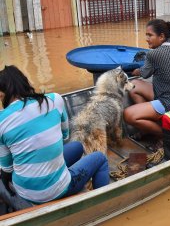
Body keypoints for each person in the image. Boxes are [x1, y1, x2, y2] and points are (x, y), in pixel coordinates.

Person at [0, 66, 109, 208]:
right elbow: (65, 136)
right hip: (58, 189)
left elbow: (7, 168)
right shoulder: (54, 100)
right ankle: (104, 205)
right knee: (100, 158)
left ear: (3, 94)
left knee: (77, 147)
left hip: (25, 191)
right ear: (25, 83)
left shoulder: (1, 120)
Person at [124, 19, 170, 138]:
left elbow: (144, 73)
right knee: (134, 86)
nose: (147, 39)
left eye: (150, 35)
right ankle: (147, 127)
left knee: (128, 115)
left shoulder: (154, 54)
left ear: (161, 36)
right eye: (146, 35)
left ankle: (164, 135)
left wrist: (133, 70)